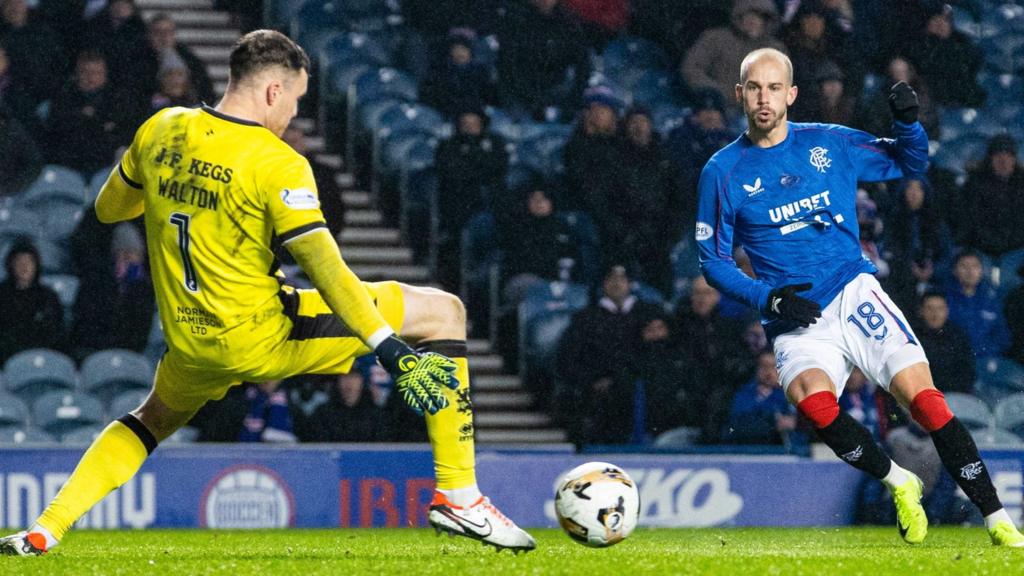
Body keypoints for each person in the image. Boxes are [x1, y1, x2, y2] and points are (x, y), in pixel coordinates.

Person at [0, 30, 534, 557]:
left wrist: (182, 193)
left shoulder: (162, 128)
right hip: (262, 334)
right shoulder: (276, 161)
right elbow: (326, 269)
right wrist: (389, 348)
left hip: (189, 340)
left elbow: (109, 210)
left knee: (149, 419)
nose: (293, 115)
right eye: (296, 100)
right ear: (274, 91)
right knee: (445, 312)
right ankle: (459, 495)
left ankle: (45, 529)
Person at [694, 47, 1023, 546]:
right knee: (812, 403)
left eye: (774, 87)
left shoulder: (829, 143)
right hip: (792, 312)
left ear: (792, 94)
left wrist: (909, 123)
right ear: (740, 94)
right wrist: (770, 300)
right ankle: (899, 481)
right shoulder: (722, 171)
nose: (764, 97)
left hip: (852, 291)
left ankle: (998, 518)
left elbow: (910, 163)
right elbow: (714, 262)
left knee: (925, 401)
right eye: (754, 88)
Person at [0, 238, 65, 363]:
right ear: (11, 265)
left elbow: (56, 333)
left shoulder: (48, 296)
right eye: (19, 262)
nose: (24, 267)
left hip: (43, 354)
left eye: (29, 262)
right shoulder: (2, 295)